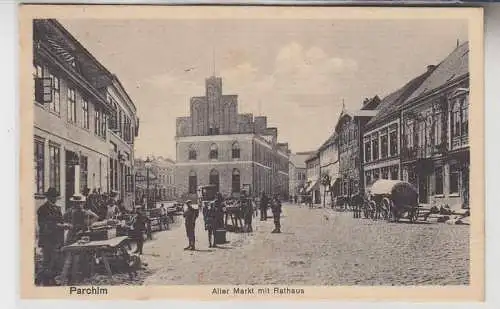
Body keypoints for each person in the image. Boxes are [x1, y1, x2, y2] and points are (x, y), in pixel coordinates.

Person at [36, 187, 68, 286]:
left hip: (57, 239)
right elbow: (45, 225)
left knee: (55, 261)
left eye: (56, 197)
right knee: (47, 261)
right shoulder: (42, 209)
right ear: (48, 197)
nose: (55, 199)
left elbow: (60, 221)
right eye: (53, 197)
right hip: (48, 239)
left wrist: (64, 225)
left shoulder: (57, 208)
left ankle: (50, 281)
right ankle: (42, 280)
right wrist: (61, 226)